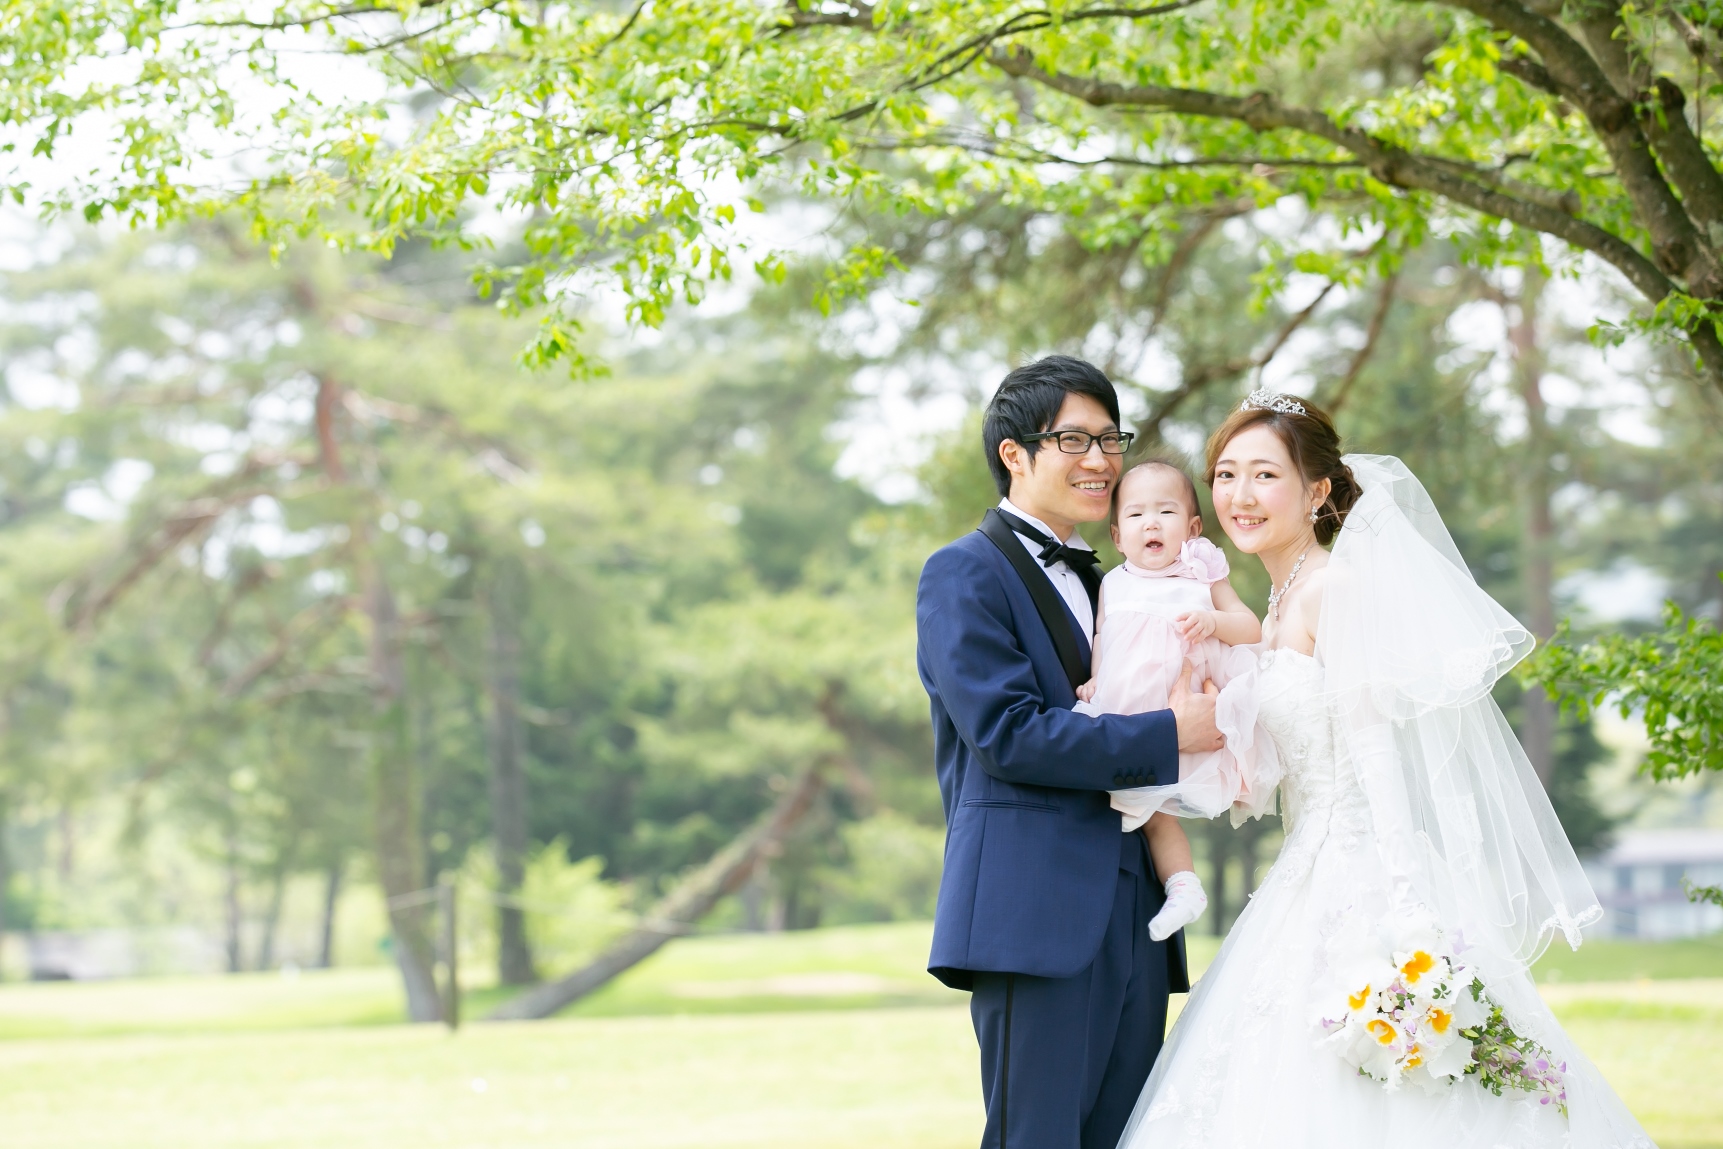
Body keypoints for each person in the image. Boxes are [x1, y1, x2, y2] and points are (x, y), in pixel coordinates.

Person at [1114, 391, 1654, 1149]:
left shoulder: (1333, 589)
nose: (1239, 495)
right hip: (1303, 866)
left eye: (1265, 474)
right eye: (1226, 474)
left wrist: (1404, 913)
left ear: (1317, 491)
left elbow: (1375, 757)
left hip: (1363, 872)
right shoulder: (1272, 604)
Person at [915, 356, 1222, 1149]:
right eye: (1074, 440)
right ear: (1013, 454)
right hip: (1034, 911)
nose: (1101, 461)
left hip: (1137, 908)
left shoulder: (1116, 579)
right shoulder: (962, 572)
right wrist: (1170, 733)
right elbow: (1007, 733)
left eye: (1110, 439)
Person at [1073, 460, 1262, 941]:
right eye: (1136, 515)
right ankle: (1184, 888)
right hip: (1129, 715)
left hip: (1188, 708)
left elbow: (1250, 628)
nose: (1151, 524)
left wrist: (1213, 621)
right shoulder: (1112, 582)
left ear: (1193, 528)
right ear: (1118, 536)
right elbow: (1104, 636)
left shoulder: (1202, 574)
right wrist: (1095, 679)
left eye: (1166, 511)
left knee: (1160, 812)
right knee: (1140, 811)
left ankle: (1181, 886)